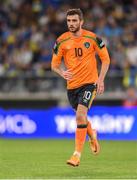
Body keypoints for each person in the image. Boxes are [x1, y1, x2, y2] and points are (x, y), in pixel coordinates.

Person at [51, 8, 110, 167]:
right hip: (72, 87)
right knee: (81, 117)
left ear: (81, 22)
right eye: (69, 21)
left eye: (74, 20)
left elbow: (106, 59)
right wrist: (61, 72)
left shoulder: (92, 38)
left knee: (80, 115)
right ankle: (92, 135)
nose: (71, 24)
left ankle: (76, 155)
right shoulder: (61, 41)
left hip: (90, 84)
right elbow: (54, 65)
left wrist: (101, 79)